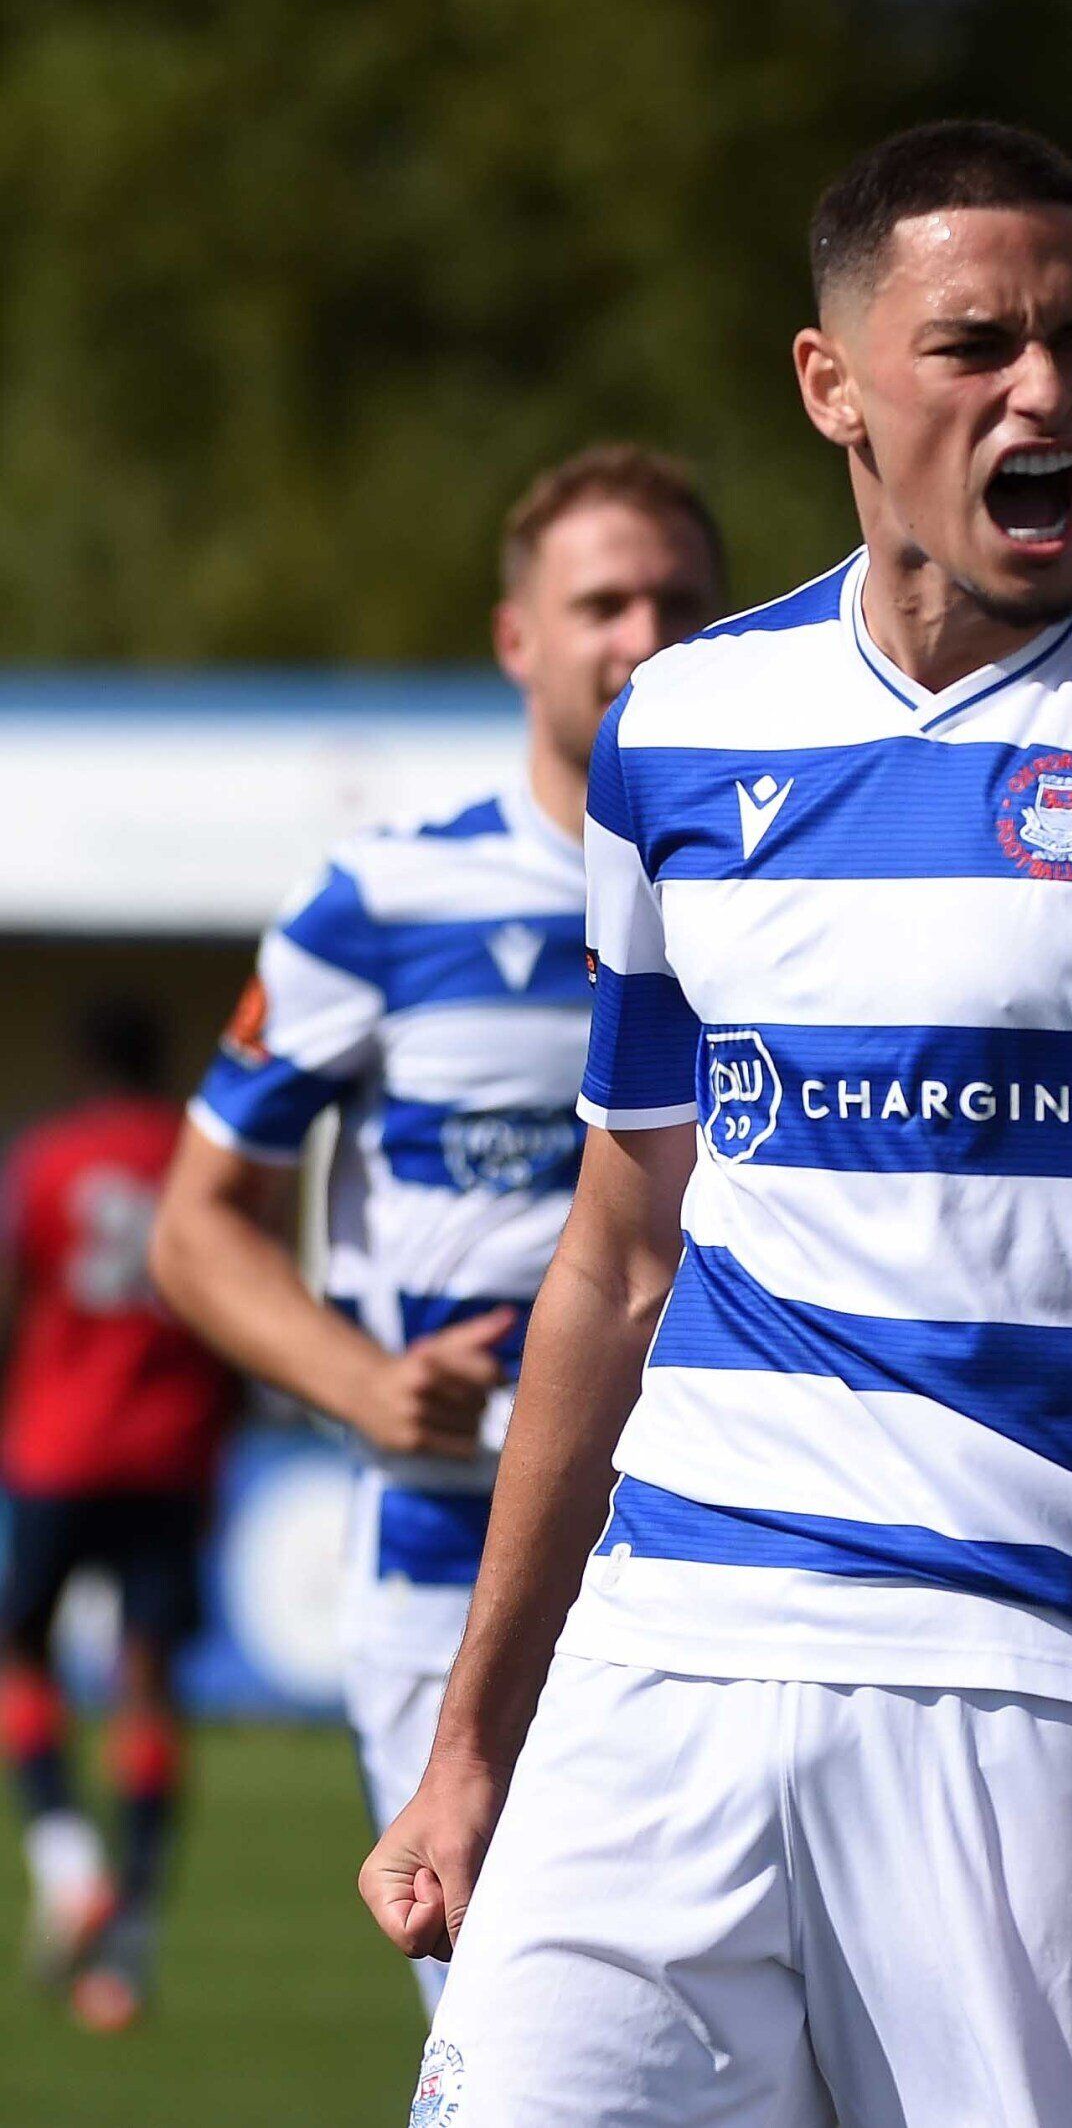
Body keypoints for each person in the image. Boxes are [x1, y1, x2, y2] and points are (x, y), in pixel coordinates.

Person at [366, 120, 1072, 2128]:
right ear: (834, 385)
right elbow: (619, 1256)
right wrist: (471, 1737)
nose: (1047, 391)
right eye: (977, 345)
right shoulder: (684, 728)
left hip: (1047, 1695)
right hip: (666, 1648)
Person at [148, 444, 725, 2015]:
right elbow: (196, 1228)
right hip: (443, 1560)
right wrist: (363, 1384)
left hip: (722, 1555)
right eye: (604, 603)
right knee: (522, 2044)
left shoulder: (783, 893)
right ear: (517, 639)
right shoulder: (387, 900)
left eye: (683, 603)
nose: (646, 637)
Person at [0, 999, 238, 2031]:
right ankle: (128, 1941)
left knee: (23, 1651)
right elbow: (235, 1301)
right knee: (147, 1677)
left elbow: (13, 1290)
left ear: (84, 1066)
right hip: (170, 1446)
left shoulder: (48, 1157)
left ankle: (67, 1862)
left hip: (56, 1443)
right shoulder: (196, 1156)